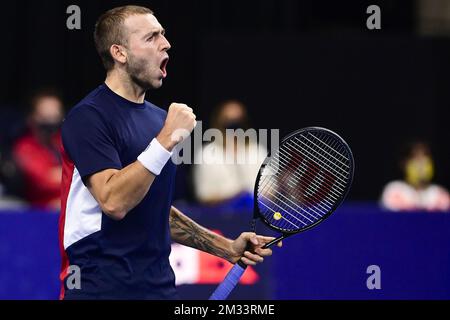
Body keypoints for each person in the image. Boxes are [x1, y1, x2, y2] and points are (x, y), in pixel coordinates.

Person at [59, 5, 281, 300]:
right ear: (119, 53)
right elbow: (114, 202)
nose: (166, 44)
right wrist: (165, 140)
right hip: (99, 289)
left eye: (163, 35)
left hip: (159, 290)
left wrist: (225, 248)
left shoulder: (158, 120)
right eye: (151, 37)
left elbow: (154, 210)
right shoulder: (88, 117)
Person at [193, 100, 267, 204]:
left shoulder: (258, 151)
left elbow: (271, 189)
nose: (234, 127)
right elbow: (203, 195)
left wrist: (250, 199)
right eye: (228, 122)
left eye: (238, 122)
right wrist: (234, 199)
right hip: (221, 216)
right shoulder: (207, 154)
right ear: (218, 123)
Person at [12, 89, 63, 209]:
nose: (51, 121)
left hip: (71, 209)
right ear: (32, 118)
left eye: (55, 116)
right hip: (39, 212)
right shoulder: (25, 147)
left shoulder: (64, 141)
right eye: (45, 116)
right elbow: (43, 179)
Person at [380, 141, 450, 211]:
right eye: (415, 157)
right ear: (404, 163)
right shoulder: (394, 191)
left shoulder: (441, 195)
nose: (421, 164)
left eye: (425, 157)